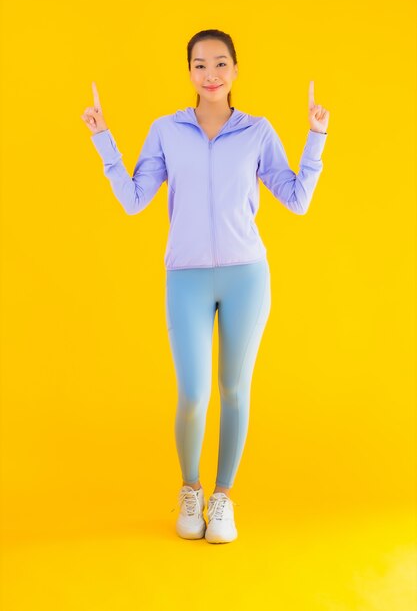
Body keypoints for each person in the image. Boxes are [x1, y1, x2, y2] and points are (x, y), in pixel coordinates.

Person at [81, 28, 330, 544]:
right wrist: (103, 138)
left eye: (220, 64)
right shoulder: (166, 131)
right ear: (189, 72)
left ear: (236, 70)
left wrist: (315, 137)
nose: (211, 74)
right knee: (194, 394)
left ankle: (221, 499)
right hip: (186, 277)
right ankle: (189, 490)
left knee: (234, 390)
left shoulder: (257, 132)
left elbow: (298, 197)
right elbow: (133, 199)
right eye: (200, 65)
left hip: (246, 275)